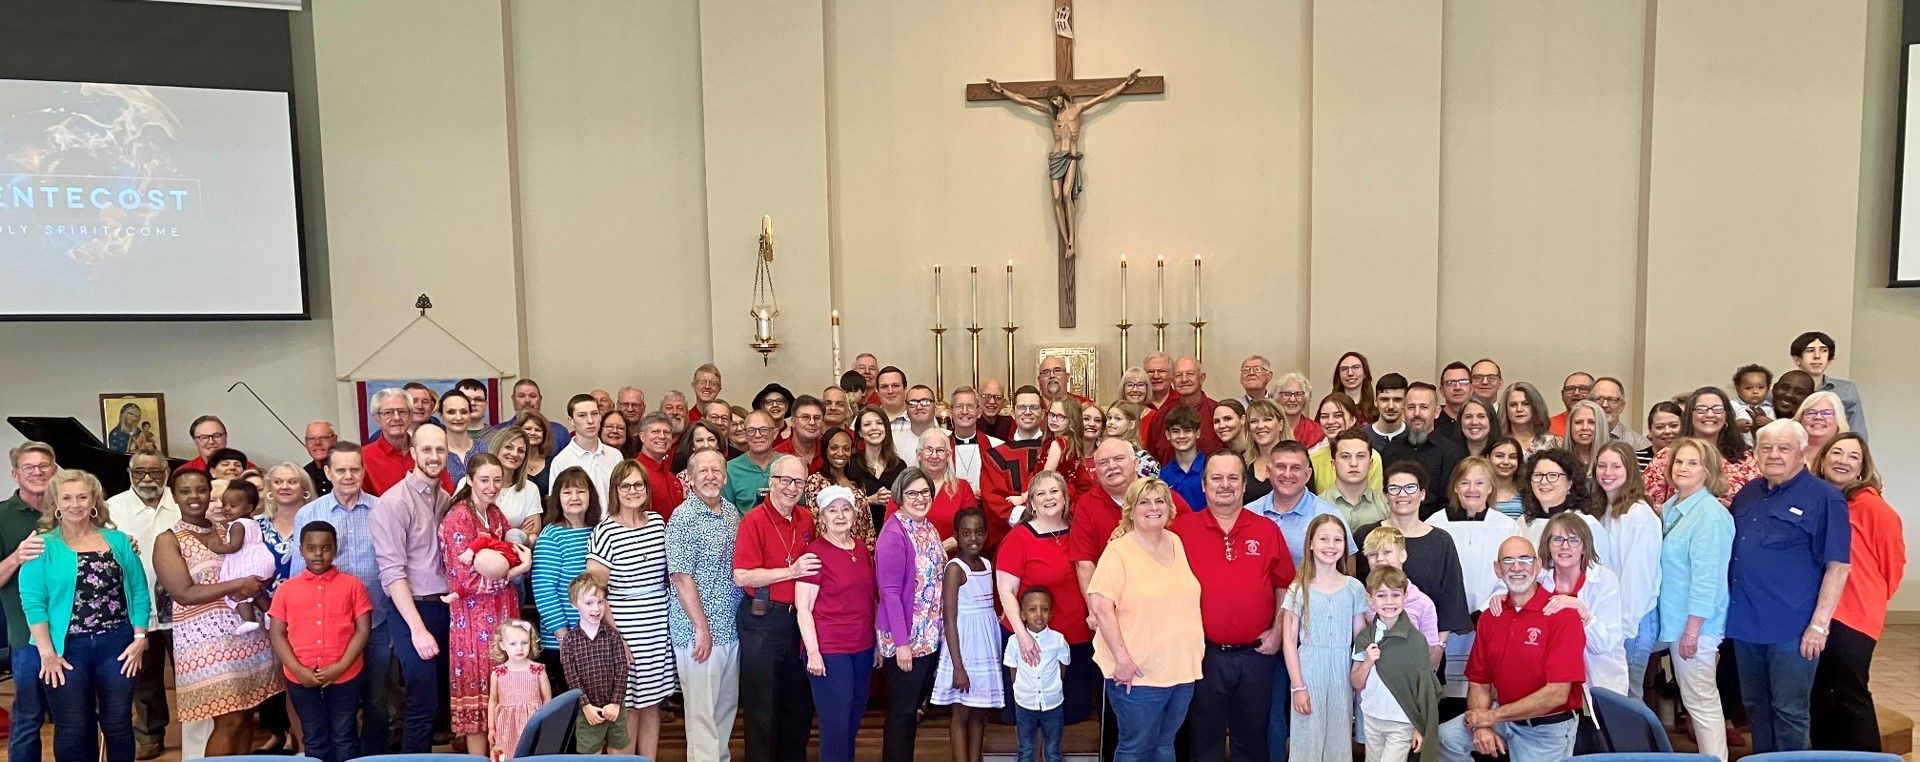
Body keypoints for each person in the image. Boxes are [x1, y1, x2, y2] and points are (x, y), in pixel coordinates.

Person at [1726, 419, 1851, 754]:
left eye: (1784, 448)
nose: (1774, 454)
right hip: (1745, 624)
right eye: (1766, 447)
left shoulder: (1825, 497)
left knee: (1789, 711)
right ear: (1756, 453)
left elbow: (1838, 567)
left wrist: (1819, 626)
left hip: (1793, 628)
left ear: (1801, 453)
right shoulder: (1748, 493)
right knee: (1755, 707)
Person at [21, 468, 150, 762]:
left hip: (118, 645)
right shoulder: (41, 545)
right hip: (65, 649)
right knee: (72, 727)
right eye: (66, 498)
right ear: (55, 503)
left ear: (94, 501)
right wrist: (46, 653)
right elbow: (33, 602)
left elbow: (140, 591)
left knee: (118, 723)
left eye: (82, 496)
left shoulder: (118, 541)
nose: (74, 504)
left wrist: (140, 637)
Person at [1171, 453, 1293, 762]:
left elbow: (1284, 584)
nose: (1225, 485)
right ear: (1203, 485)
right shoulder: (1181, 531)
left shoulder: (1267, 530)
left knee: (1252, 741)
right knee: (1203, 741)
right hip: (1203, 656)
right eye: (1216, 478)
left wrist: (1277, 631)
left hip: (1256, 656)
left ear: (1244, 484)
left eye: (1233, 478)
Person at [152, 468, 282, 757]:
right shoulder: (168, 539)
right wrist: (238, 583)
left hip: (247, 634)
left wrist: (258, 580)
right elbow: (183, 593)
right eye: (185, 491)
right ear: (173, 496)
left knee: (247, 712)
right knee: (229, 718)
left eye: (201, 489)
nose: (194, 496)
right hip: (205, 641)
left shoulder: (228, 528)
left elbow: (255, 563)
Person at [1436, 536, 1586, 762]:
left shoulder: (1562, 615)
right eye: (1508, 561)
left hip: (1545, 730)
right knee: (1446, 737)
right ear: (1497, 569)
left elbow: (1556, 694)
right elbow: (1479, 681)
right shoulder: (1490, 616)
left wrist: (1490, 716)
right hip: (1502, 717)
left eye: (1524, 559)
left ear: (1537, 566)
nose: (1516, 568)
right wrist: (1480, 728)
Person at [1089, 478, 1204, 762]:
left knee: (1165, 743)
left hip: (1181, 669)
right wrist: (1122, 659)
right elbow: (1101, 607)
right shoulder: (1118, 551)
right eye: (1144, 501)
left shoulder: (1175, 541)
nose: (1153, 508)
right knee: (1136, 747)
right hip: (1138, 673)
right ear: (1131, 509)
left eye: (1159, 501)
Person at [292, 442, 390, 756]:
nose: (348, 476)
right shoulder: (309, 513)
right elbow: (299, 575)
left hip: (376, 621)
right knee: (334, 703)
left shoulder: (382, 509)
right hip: (328, 630)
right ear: (327, 472)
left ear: (363, 470)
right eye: (341, 470)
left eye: (355, 469)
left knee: (376, 698)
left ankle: (371, 755)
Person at [1810, 433, 1906, 751]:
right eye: (1836, 453)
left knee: (1850, 692)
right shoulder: (1815, 500)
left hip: (1855, 615)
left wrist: (1872, 598)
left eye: (1853, 456)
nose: (1843, 460)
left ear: (1862, 467)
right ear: (1822, 460)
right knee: (1818, 691)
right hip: (1816, 612)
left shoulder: (1872, 506)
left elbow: (1893, 562)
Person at [368, 423, 454, 753]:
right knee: (422, 703)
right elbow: (392, 574)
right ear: (413, 454)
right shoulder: (392, 503)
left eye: (440, 450)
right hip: (412, 611)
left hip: (445, 606)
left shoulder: (444, 499)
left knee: (444, 704)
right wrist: (417, 629)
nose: (434, 456)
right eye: (427, 450)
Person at [996, 470, 1101, 727]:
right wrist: (1023, 638)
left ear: (1065, 497)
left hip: (1076, 639)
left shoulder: (1079, 531)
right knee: (1031, 718)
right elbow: (1006, 591)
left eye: (1054, 491)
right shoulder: (1018, 539)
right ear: (1031, 503)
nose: (1048, 498)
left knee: (1073, 715)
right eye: (1040, 494)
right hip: (1034, 644)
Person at [442, 453, 532, 753]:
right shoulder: (458, 517)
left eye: (496, 480)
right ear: (469, 480)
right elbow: (463, 579)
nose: (491, 486)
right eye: (484, 480)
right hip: (472, 619)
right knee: (479, 701)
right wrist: (516, 571)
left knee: (506, 698)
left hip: (503, 612)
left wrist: (510, 565)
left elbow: (508, 549)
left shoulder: (495, 514)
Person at [587, 458, 677, 757]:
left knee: (651, 705)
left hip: (657, 623)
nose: (633, 490)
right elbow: (596, 591)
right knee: (626, 709)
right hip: (624, 625)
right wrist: (616, 636)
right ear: (615, 490)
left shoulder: (657, 523)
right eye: (625, 485)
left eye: (638, 484)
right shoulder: (604, 531)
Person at [734, 454, 818, 762]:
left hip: (798, 622)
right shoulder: (753, 519)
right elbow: (742, 575)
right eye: (785, 480)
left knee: (797, 709)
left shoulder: (806, 519)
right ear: (771, 482)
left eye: (799, 482)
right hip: (763, 621)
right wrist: (791, 571)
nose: (792, 487)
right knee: (761, 711)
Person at [1656, 437, 1735, 761]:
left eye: (1693, 463)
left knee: (1701, 703)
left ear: (1708, 470)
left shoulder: (1710, 515)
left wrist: (1693, 630)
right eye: (1679, 462)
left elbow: (1708, 580)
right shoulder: (1673, 506)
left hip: (1697, 627)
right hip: (1676, 620)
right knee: (1693, 700)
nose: (1683, 468)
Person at [266, 521, 372, 762]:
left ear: (335, 549)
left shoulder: (353, 586)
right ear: (301, 549)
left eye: (325, 548)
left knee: (344, 735)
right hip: (300, 675)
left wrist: (340, 667)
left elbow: (362, 631)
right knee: (314, 737)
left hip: (345, 673)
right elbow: (277, 633)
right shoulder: (286, 590)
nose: (318, 554)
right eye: (311, 548)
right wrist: (297, 669)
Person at [668, 449, 744, 762]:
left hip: (729, 627)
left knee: (725, 707)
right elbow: (682, 577)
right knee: (702, 714)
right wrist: (701, 627)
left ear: (725, 477)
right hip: (698, 631)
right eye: (704, 471)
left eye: (716, 471)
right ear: (690, 478)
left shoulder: (730, 512)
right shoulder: (683, 517)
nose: (711, 476)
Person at [104, 448, 179, 760]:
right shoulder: (112, 507)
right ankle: (149, 736)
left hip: (181, 604)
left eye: (156, 472)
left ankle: (198, 733)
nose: (148, 478)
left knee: (190, 672)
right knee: (144, 680)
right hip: (135, 606)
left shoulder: (181, 499)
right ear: (129, 473)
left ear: (167, 473)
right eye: (140, 472)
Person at [795, 486, 877, 762]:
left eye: (845, 509)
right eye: (833, 510)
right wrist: (814, 652)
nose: (840, 516)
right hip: (830, 650)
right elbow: (803, 608)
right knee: (835, 727)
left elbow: (869, 600)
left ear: (855, 514)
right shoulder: (814, 553)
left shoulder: (862, 549)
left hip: (863, 647)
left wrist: (875, 644)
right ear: (822, 517)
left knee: (852, 722)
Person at [1282, 514, 1368, 762]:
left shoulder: (1354, 588)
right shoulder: (1298, 589)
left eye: (1337, 540)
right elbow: (1289, 641)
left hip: (1342, 670)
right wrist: (1298, 686)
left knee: (1339, 740)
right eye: (1324, 539)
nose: (1331, 545)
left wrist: (1360, 675)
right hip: (1309, 670)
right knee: (1307, 738)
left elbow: (1360, 637)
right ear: (1310, 543)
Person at [875, 466, 946, 762]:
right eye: (912, 493)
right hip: (905, 637)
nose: (920, 498)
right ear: (899, 497)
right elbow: (889, 593)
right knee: (902, 711)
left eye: (925, 492)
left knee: (913, 708)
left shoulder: (928, 527)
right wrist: (902, 644)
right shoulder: (894, 533)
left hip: (928, 635)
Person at [1526, 513, 1627, 695]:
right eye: (1557, 539)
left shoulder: (1604, 580)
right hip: (1550, 681)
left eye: (1573, 540)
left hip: (1598, 678)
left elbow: (1603, 645)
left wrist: (1581, 610)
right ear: (1548, 546)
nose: (1565, 546)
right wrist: (1501, 598)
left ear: (1584, 547)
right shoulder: (1537, 579)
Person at [1351, 567, 1443, 762]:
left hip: (1401, 722)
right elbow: (1356, 682)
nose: (1389, 601)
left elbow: (1424, 688)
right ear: (1370, 599)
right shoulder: (1365, 637)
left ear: (1405, 597)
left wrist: (1420, 726)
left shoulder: (1416, 641)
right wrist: (1368, 662)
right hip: (1372, 717)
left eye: (1395, 595)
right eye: (1382, 595)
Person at [934, 508, 1004, 762]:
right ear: (956, 536)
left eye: (978, 532)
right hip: (963, 648)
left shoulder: (987, 564)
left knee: (979, 711)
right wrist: (958, 667)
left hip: (984, 647)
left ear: (986, 533)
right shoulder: (955, 568)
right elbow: (949, 620)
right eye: (965, 533)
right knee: (961, 711)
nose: (973, 538)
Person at [530, 467, 599, 691]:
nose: (575, 498)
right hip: (563, 642)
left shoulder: (598, 531)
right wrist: (563, 636)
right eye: (567, 492)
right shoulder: (551, 536)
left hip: (594, 636)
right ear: (557, 498)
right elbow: (544, 591)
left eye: (581, 491)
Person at [1644, 387, 1759, 506]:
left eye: (1717, 409)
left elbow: (1757, 505)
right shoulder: (1665, 457)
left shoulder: (1745, 460)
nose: (1710, 414)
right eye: (1701, 409)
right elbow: (1649, 506)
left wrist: (1731, 508)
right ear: (1690, 415)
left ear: (1727, 417)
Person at [1247, 441, 1353, 568]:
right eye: (1280, 467)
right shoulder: (1249, 513)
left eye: (1295, 468)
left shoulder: (1328, 516)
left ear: (1307, 475)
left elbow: (1347, 571)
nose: (1287, 474)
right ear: (1268, 471)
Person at [560, 574, 633, 755]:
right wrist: (586, 706)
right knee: (591, 753)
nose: (597, 608)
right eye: (589, 603)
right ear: (574, 604)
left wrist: (616, 703)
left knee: (618, 750)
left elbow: (622, 670)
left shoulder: (613, 636)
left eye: (601, 602)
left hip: (614, 708)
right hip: (588, 711)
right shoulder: (569, 641)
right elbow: (572, 677)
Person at [1005, 586, 1072, 762]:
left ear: (1051, 614)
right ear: (1022, 614)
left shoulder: (1058, 640)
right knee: (1026, 750)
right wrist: (1022, 689)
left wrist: (1054, 686)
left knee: (1053, 751)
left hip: (1053, 704)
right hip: (1024, 704)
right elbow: (1013, 670)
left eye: (1044, 609)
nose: (1039, 614)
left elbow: (1062, 666)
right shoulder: (1014, 641)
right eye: (1032, 609)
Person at [980, 386, 1053, 547]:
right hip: (1010, 539)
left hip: (1054, 533)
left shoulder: (1055, 449)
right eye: (1021, 407)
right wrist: (1026, 516)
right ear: (1012, 413)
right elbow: (993, 499)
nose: (1027, 412)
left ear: (1042, 414)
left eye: (1033, 407)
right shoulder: (995, 456)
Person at [1517, 449, 1614, 565]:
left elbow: (1599, 572)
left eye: (1553, 475)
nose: (1544, 481)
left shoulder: (1586, 524)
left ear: (1569, 483)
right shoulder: (1522, 523)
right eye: (1538, 475)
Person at [1380, 383, 1463, 519]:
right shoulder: (1391, 450)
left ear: (1436, 412)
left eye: (1424, 407)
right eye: (1411, 407)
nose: (1417, 413)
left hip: (1436, 527)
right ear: (1403, 412)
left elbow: (1451, 501)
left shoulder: (1452, 452)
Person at [205, 481, 275, 633]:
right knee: (256, 593)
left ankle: (249, 620)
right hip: (263, 562)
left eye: (233, 505)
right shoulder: (253, 522)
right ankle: (269, 612)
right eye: (225, 504)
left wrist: (217, 547)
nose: (226, 509)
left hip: (247, 564)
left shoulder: (237, 524)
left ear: (249, 508)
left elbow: (234, 546)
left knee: (239, 590)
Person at [485, 620, 551, 759]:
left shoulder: (537, 670)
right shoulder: (498, 672)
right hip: (505, 725)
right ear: (502, 645)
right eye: (513, 644)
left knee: (531, 754)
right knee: (503, 754)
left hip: (532, 722)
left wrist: (544, 723)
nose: (519, 648)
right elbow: (493, 701)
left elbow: (547, 699)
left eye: (524, 643)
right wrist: (491, 728)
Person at [1143, 356, 1224, 465]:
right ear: (1172, 381)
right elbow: (1152, 459)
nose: (1184, 379)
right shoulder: (1160, 417)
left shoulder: (1218, 413)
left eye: (1190, 374)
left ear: (1202, 378)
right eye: (1178, 375)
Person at [1790, 330, 1867, 437]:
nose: (1817, 356)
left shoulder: (1846, 389)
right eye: (1810, 350)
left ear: (1829, 359)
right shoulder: (1786, 391)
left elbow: (1857, 430)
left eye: (1824, 350)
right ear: (1797, 359)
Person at [552, 393, 620, 506]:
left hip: (614, 522)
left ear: (600, 416)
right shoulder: (561, 461)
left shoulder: (615, 455)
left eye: (594, 414)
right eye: (582, 415)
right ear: (571, 420)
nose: (590, 420)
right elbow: (557, 505)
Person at [918, 428, 981, 543]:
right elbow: (892, 528)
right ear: (919, 454)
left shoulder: (962, 488)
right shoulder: (904, 487)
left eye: (940, 450)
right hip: (911, 559)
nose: (934, 455)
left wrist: (940, 549)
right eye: (928, 450)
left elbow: (973, 528)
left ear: (948, 456)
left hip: (952, 558)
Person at [852, 407, 908, 527]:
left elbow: (906, 503)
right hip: (860, 533)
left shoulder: (899, 466)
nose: (874, 428)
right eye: (867, 424)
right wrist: (870, 500)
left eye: (879, 423)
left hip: (892, 533)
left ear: (886, 429)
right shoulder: (850, 465)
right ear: (860, 432)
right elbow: (841, 504)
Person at [1321, 429, 1388, 529]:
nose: (1353, 463)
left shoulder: (1387, 507)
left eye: (1360, 456)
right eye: (1345, 456)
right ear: (1333, 464)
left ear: (1370, 464)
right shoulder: (1317, 506)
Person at [727, 410, 785, 512]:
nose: (757, 435)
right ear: (745, 434)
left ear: (775, 433)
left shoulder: (787, 464)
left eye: (764, 430)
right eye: (751, 430)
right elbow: (725, 513)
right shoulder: (730, 469)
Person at [950, 387, 1005, 493]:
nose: (964, 411)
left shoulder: (997, 446)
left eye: (970, 406)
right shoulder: (941, 447)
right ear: (951, 412)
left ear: (979, 412)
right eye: (959, 406)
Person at [1158, 405, 1209, 509]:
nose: (1181, 436)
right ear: (1168, 435)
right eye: (1176, 431)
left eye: (1187, 430)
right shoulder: (1164, 474)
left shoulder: (1209, 467)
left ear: (1197, 433)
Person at [1588, 377, 1652, 452]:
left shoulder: (1639, 445)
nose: (1604, 405)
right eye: (1598, 399)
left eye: (1612, 400)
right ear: (1590, 403)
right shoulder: (1578, 439)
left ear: (1621, 407)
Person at [1497, 382, 1561, 455]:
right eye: (1513, 405)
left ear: (1535, 407)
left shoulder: (1554, 443)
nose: (1519, 409)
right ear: (1505, 409)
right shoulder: (1497, 443)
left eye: (1526, 404)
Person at [1274, 371, 1328, 450]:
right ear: (1277, 398)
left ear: (1305, 398)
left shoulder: (1315, 432)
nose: (1292, 399)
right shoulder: (1269, 428)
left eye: (1298, 394)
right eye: (1287, 394)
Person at [1796, 390, 1847, 469]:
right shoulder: (1787, 450)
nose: (1818, 417)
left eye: (1826, 413)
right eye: (1811, 413)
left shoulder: (1850, 453)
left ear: (1839, 419)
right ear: (1800, 418)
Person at [440, 392, 482, 483]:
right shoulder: (435, 453)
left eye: (464, 412)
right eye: (451, 412)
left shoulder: (485, 448)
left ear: (470, 416)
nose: (458, 417)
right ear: (442, 417)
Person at [515, 410, 558, 495]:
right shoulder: (512, 461)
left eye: (538, 430)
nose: (533, 433)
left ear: (544, 434)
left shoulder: (554, 463)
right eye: (528, 429)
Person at [1562, 399, 1610, 471]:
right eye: (1578, 422)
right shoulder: (1558, 463)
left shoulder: (1613, 463)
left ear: (1601, 426)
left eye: (1591, 422)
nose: (1585, 427)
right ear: (1570, 426)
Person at [1365, 373, 1408, 451]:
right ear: (1375, 401)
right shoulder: (1362, 438)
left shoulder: (1415, 438)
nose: (1391, 406)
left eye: (1397, 400)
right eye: (1385, 399)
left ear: (1405, 403)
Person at [1731, 364, 1775, 440]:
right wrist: (1736, 425)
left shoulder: (1770, 407)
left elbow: (1779, 428)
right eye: (1748, 388)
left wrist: (1770, 423)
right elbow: (1724, 425)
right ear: (1738, 389)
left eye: (1761, 388)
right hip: (1740, 447)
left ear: (1768, 389)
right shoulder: (1732, 405)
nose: (1755, 391)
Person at [1332, 351, 1379, 423]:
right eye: (1344, 369)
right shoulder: (1329, 406)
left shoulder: (1376, 408)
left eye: (1356, 367)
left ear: (1365, 373)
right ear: (1338, 375)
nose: (1350, 373)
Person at [1435, 362, 1473, 446]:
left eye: (1463, 382)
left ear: (1472, 388)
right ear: (1442, 391)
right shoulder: (1432, 420)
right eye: (1450, 383)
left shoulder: (1479, 421)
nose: (1457, 387)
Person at [1546, 372, 1594, 438]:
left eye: (1583, 389)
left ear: (1595, 394)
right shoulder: (1548, 426)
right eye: (1570, 389)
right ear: (1562, 395)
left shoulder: (1603, 424)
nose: (1576, 393)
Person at [1487, 439, 1526, 518]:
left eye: (1512, 457)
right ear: (1488, 458)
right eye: (1499, 456)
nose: (1506, 462)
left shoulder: (1526, 493)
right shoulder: (1477, 490)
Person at [303, 421, 339, 497]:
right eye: (311, 439)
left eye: (323, 438)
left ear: (335, 440)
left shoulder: (348, 471)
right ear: (306, 442)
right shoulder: (303, 476)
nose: (317, 443)